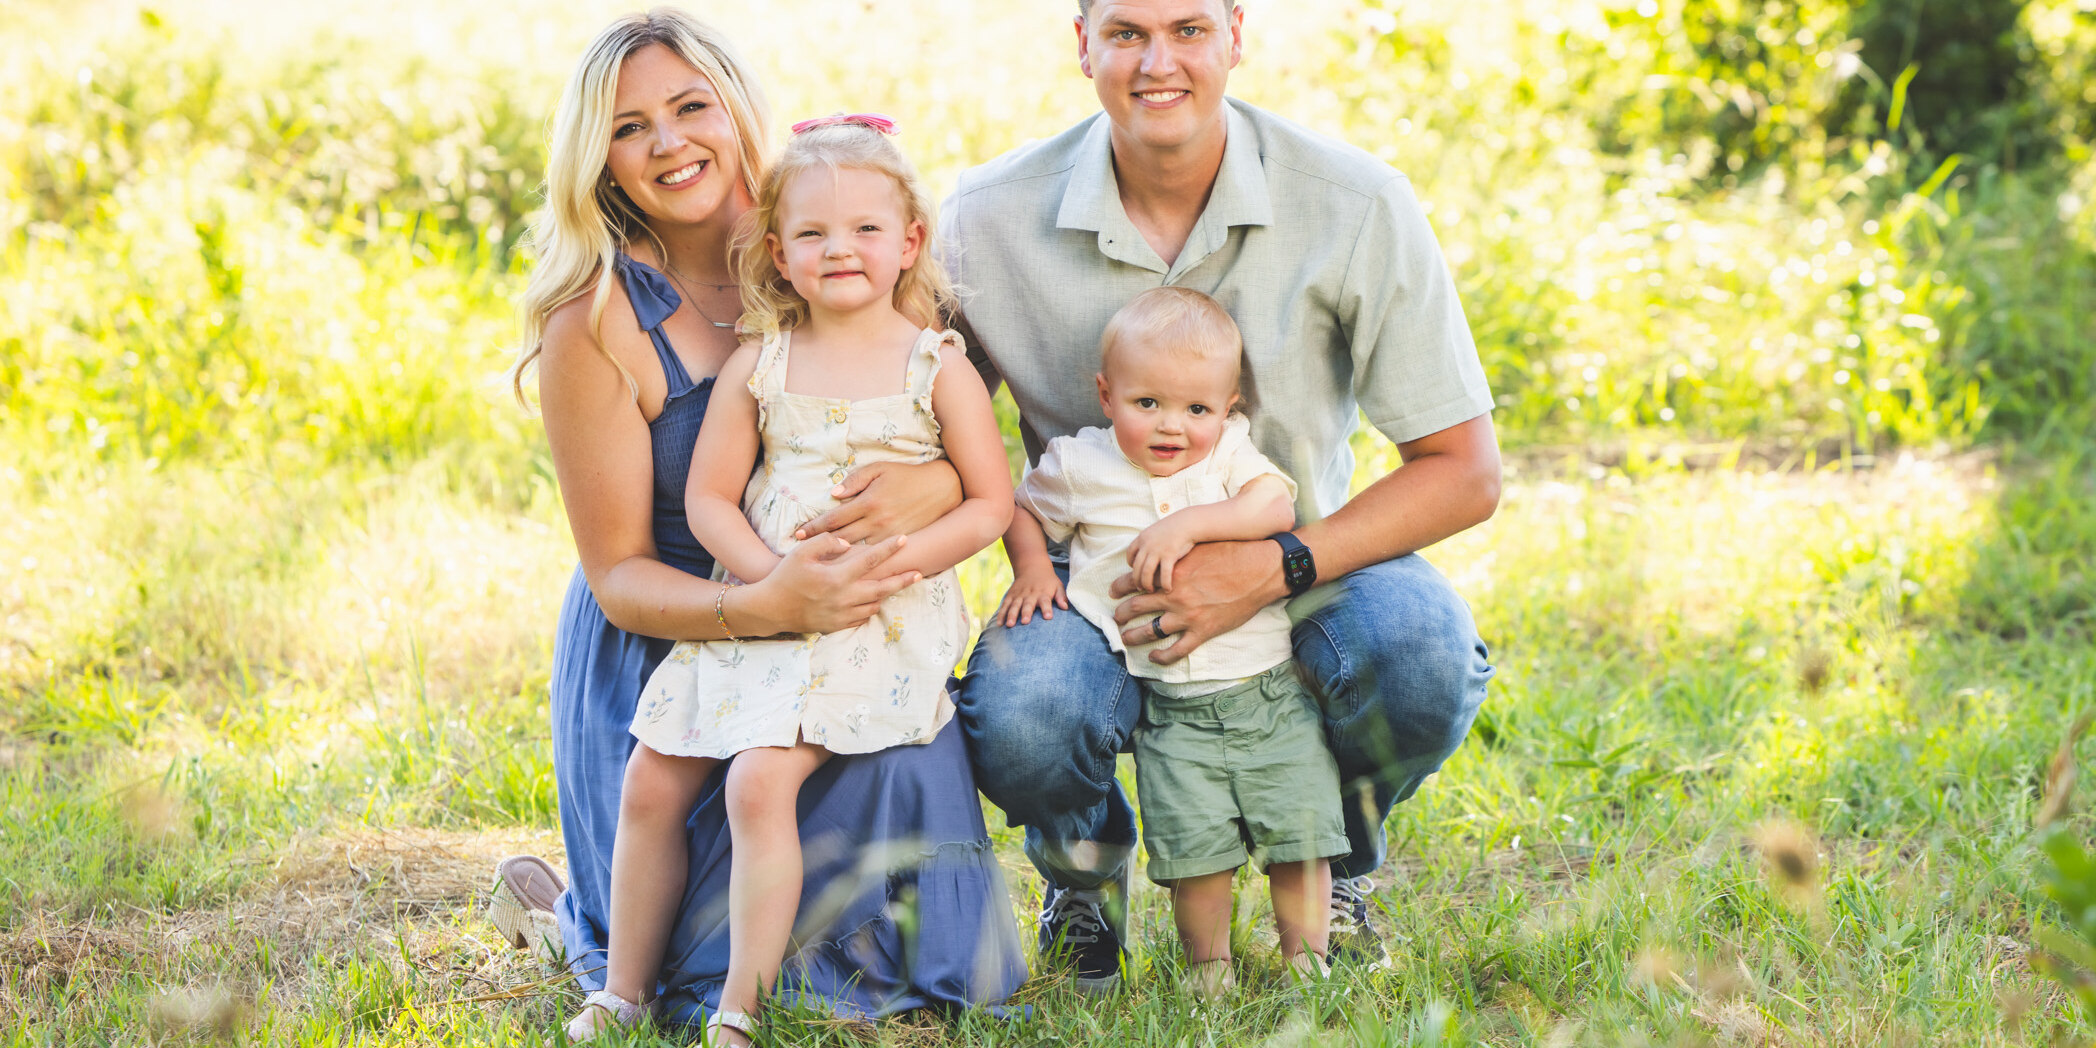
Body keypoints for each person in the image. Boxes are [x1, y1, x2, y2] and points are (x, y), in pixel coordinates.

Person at [946, 0, 1500, 991]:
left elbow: (1463, 468)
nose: (1157, 61)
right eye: (1124, 31)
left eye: (1188, 28)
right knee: (1022, 709)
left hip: (1305, 557)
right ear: (1080, 43)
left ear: (1236, 35)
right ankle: (1085, 875)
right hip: (1097, 583)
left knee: (1420, 656)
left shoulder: (1354, 201)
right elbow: (931, 430)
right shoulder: (985, 220)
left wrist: (1274, 564)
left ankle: (1334, 869)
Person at [492, 8, 1024, 1033]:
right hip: (682, 626)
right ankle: (582, 925)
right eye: (628, 125)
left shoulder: (837, 234)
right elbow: (619, 576)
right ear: (597, 156)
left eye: (690, 107)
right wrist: (765, 599)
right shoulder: (597, 320)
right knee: (697, 946)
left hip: (855, 610)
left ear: (737, 110)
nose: (669, 142)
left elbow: (949, 433)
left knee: (891, 768)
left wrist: (920, 498)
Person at [997, 287, 1346, 996]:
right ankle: (1206, 969)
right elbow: (1017, 509)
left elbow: (1274, 504)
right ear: (1105, 393)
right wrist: (1035, 566)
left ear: (1228, 408)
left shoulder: (1228, 458)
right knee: (1195, 856)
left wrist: (1189, 525)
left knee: (1300, 840)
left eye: (1197, 409)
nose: (1172, 428)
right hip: (1169, 709)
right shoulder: (1078, 465)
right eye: (1146, 403)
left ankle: (1308, 962)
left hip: (1271, 694)